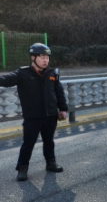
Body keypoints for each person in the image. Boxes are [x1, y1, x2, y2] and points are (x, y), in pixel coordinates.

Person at [0, 43, 68, 181]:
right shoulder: (23, 73)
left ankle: (51, 163)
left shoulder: (52, 74)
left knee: (49, 141)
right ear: (33, 57)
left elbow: (59, 92)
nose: (45, 60)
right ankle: (22, 169)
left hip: (50, 115)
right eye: (42, 57)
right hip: (33, 117)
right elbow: (7, 80)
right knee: (28, 143)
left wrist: (63, 109)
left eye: (47, 58)